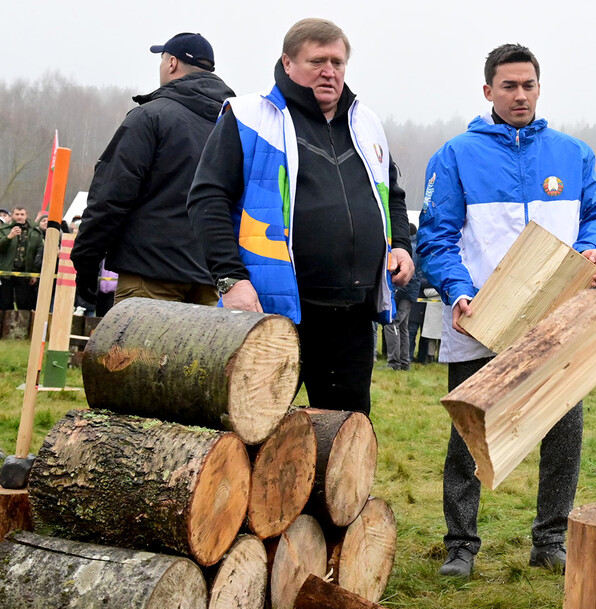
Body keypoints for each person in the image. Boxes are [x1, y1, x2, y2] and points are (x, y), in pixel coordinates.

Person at [417, 43, 596, 578]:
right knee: (469, 437)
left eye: (528, 85)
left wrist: (592, 245)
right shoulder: (456, 155)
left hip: (556, 324)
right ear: (488, 91)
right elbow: (434, 238)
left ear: (539, 88)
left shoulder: (573, 154)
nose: (520, 94)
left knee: (563, 434)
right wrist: (459, 290)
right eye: (509, 86)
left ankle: (551, 540)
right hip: (481, 321)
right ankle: (460, 544)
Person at [188, 18, 413, 415]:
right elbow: (207, 199)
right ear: (287, 63)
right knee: (256, 431)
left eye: (338, 62)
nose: (330, 71)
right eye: (317, 61)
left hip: (352, 316)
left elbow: (391, 195)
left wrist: (401, 246)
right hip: (273, 312)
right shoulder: (248, 117)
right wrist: (229, 280)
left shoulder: (367, 123)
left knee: (345, 438)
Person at [73, 33, 235, 308]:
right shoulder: (237, 124)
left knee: (139, 353)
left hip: (149, 276)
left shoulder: (149, 117)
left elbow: (111, 196)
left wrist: (86, 261)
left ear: (172, 63)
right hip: (213, 280)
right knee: (198, 353)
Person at [383, 223, 421, 370]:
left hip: (404, 291)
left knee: (392, 324)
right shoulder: (417, 247)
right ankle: (405, 362)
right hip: (411, 292)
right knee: (403, 327)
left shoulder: (407, 249)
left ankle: (393, 363)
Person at [0, 207, 43, 310]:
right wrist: (9, 237)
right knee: (5, 303)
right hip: (6, 271)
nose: (19, 217)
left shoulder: (34, 232)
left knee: (24, 303)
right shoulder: (4, 230)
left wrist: (35, 273)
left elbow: (38, 253)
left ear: (26, 215)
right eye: (17, 214)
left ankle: (22, 325)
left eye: (22, 214)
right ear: (12, 216)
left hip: (25, 272)